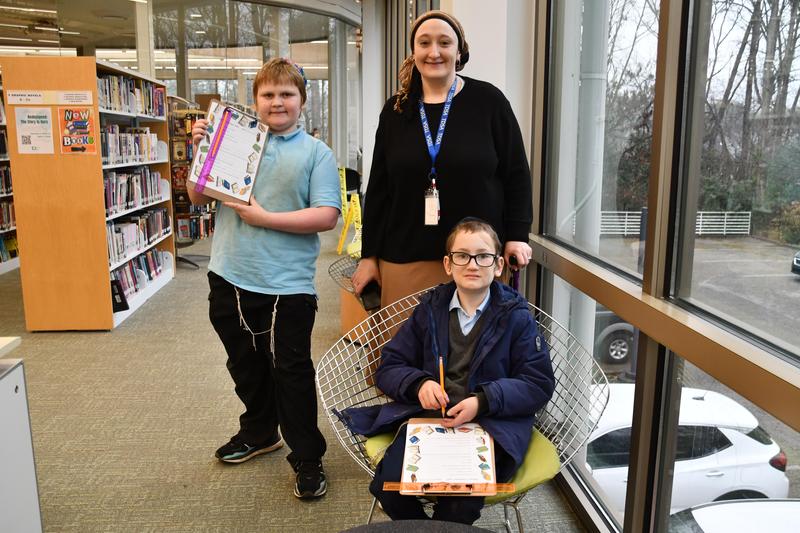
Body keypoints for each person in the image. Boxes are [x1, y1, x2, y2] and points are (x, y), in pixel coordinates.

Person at [188, 58, 341, 500]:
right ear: (255, 100)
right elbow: (196, 196)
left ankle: (307, 456)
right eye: (268, 94)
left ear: (302, 101)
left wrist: (265, 218)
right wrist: (203, 150)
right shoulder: (235, 141)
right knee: (245, 364)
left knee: (291, 371)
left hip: (287, 285)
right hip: (230, 274)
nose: (277, 102)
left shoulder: (316, 153)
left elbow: (327, 215)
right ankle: (260, 431)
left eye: (286, 94)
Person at [342, 219, 555, 524]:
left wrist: (483, 401)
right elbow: (389, 366)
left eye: (483, 256)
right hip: (430, 421)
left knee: (457, 506)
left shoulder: (516, 317)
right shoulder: (430, 309)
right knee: (388, 488)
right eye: (462, 255)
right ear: (448, 264)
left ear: (498, 266)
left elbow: (537, 384)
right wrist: (419, 384)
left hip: (490, 425)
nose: (472, 264)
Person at [352, 10, 534, 308]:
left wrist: (517, 235)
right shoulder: (396, 110)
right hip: (405, 258)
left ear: (459, 51)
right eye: (424, 43)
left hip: (476, 257)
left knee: (479, 339)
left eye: (444, 43)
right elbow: (379, 191)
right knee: (406, 339)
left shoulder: (489, 102)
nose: (434, 52)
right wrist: (368, 256)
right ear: (414, 52)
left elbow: (516, 175)